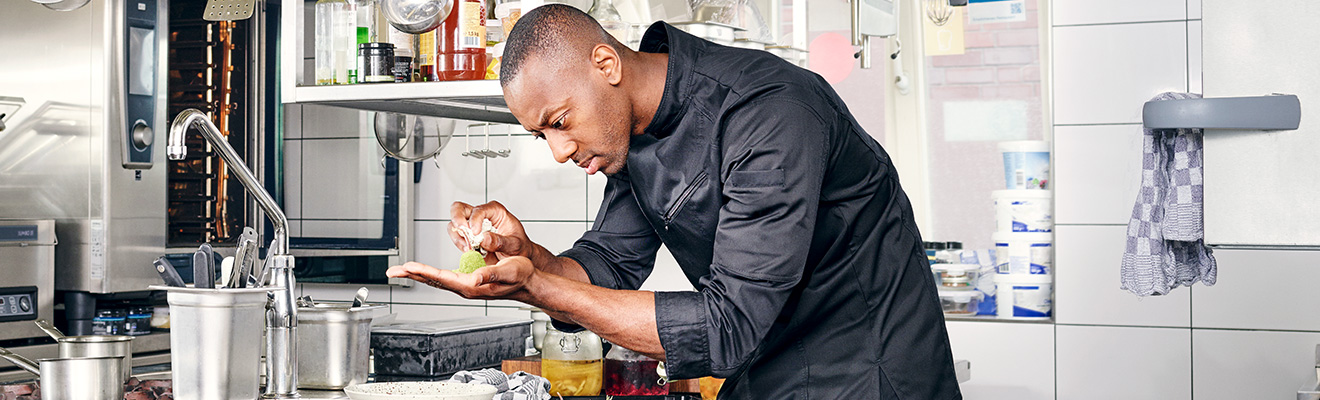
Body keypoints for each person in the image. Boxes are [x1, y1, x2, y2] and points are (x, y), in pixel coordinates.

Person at [386, 4, 963, 399]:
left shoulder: (769, 113)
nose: (559, 151)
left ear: (606, 65)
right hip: (768, 377)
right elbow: (604, 268)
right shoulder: (630, 135)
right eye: (543, 135)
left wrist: (541, 287)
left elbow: (727, 325)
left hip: (872, 376)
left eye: (560, 122)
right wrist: (528, 259)